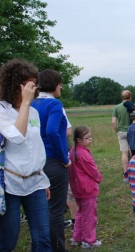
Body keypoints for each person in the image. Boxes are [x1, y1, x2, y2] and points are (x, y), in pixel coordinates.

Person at [0, 59, 52, 251]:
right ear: (17, 85)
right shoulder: (2, 111)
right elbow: (17, 137)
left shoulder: (34, 113)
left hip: (35, 183)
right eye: (30, 84)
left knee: (43, 239)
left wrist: (42, 178)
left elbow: (36, 148)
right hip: (10, 185)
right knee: (8, 240)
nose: (34, 89)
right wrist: (25, 104)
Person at [31, 69, 71, 252]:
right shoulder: (54, 105)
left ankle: (39, 246)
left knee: (41, 209)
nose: (61, 86)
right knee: (56, 210)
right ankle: (56, 248)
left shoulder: (32, 104)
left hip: (36, 161)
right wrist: (64, 157)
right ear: (54, 84)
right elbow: (51, 131)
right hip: (54, 161)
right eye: (60, 83)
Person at [69, 125, 102, 249]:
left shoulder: (73, 151)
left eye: (90, 137)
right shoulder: (83, 154)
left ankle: (76, 237)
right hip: (87, 189)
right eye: (87, 138)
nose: (90, 140)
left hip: (77, 188)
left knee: (80, 213)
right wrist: (99, 178)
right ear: (79, 140)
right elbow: (92, 170)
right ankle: (89, 240)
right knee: (89, 215)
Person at [112, 90, 134, 180]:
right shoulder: (133, 106)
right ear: (130, 97)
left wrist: (117, 130)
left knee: (124, 152)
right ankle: (134, 170)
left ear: (122, 97)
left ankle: (126, 173)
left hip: (121, 132)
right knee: (132, 151)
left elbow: (113, 122)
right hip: (131, 131)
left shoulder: (116, 107)